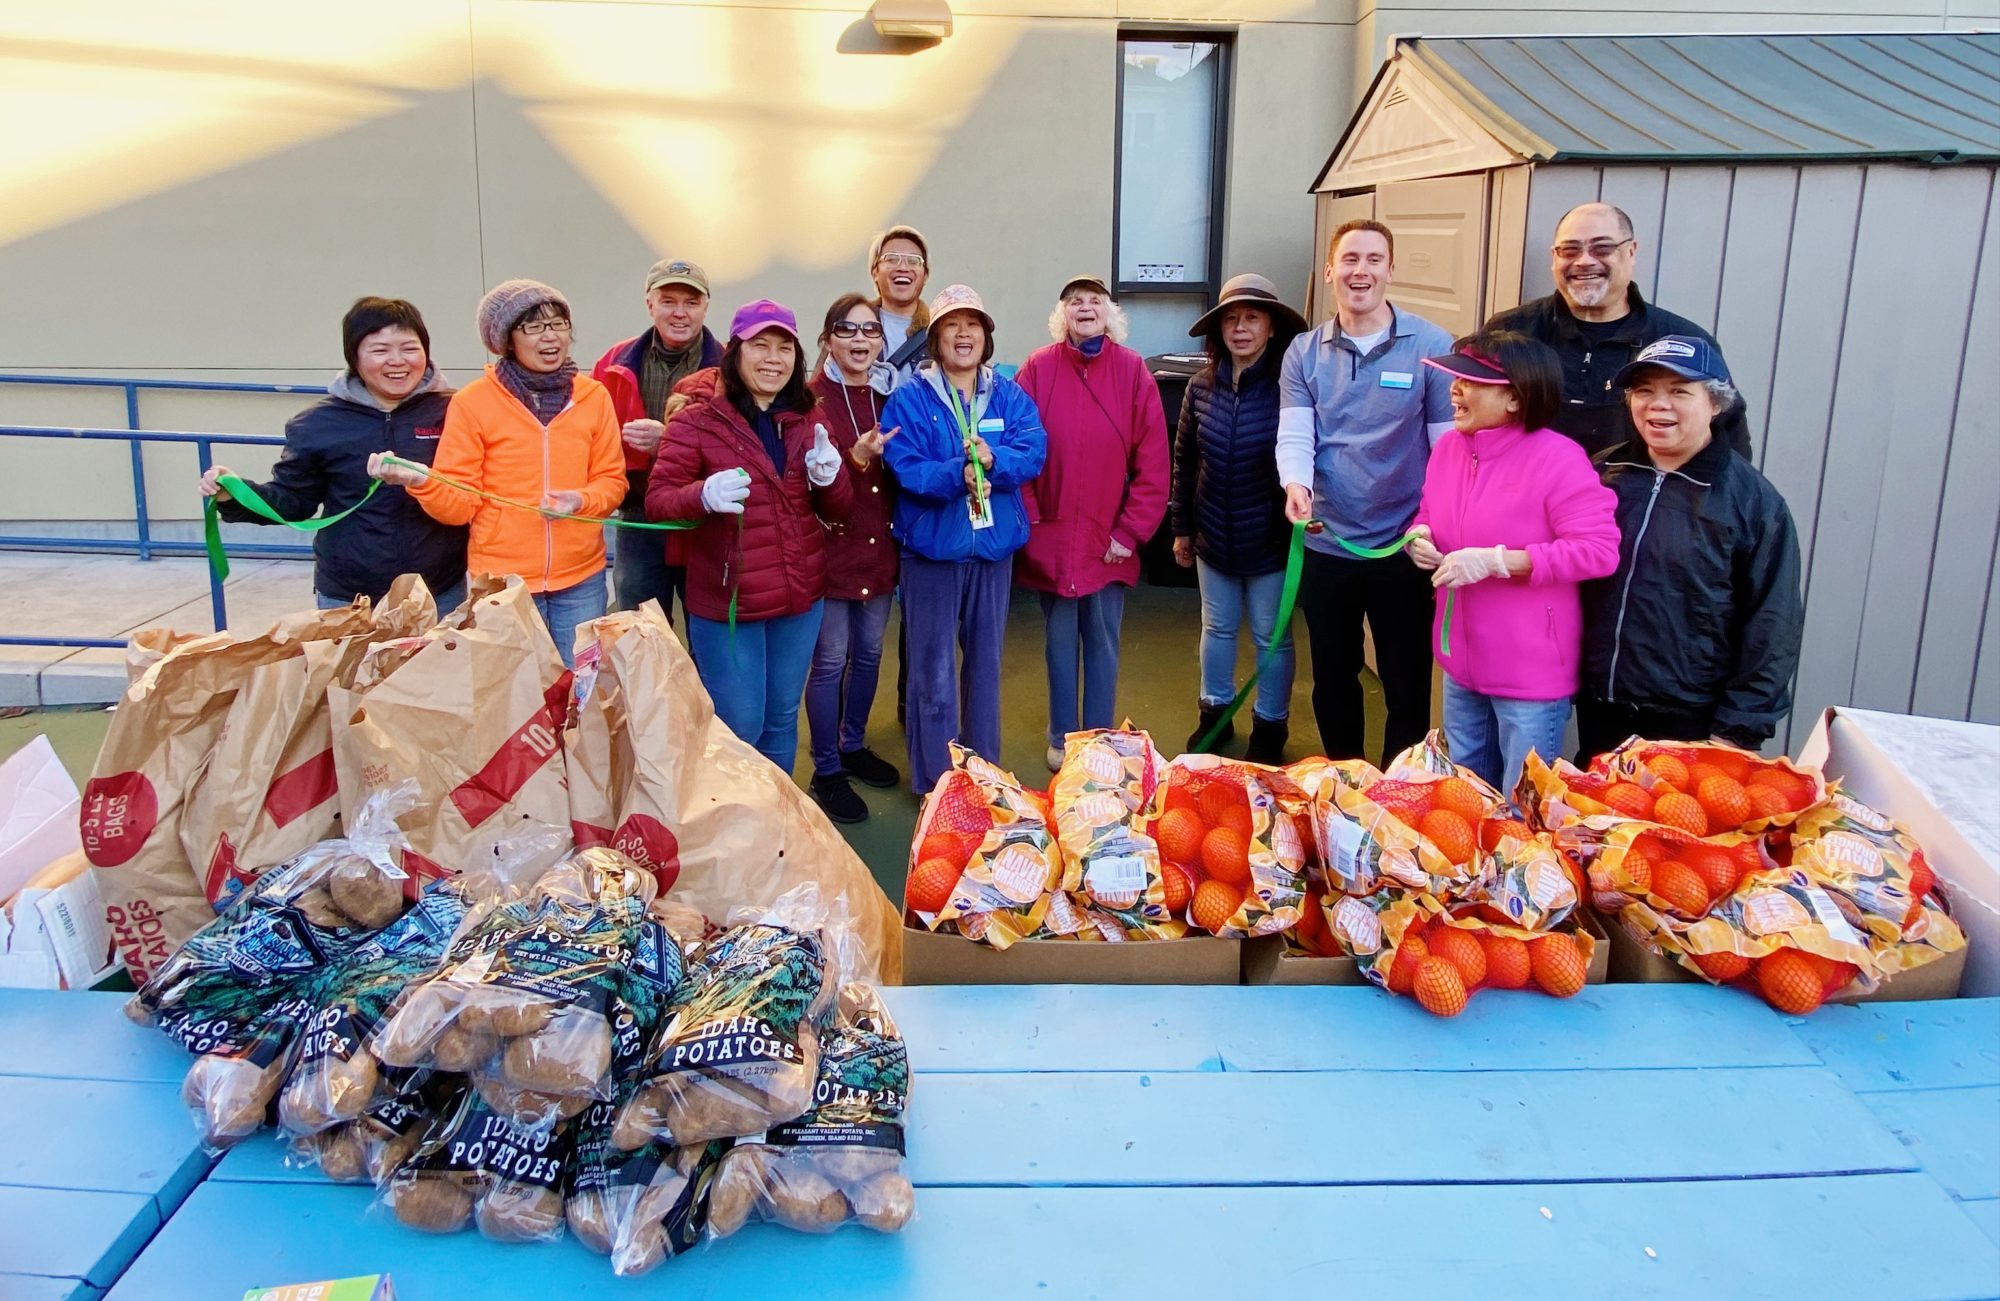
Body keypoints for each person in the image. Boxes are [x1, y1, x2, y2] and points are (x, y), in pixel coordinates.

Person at [368, 279, 625, 666]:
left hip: (581, 580)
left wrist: (582, 500)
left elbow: (612, 481)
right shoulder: (474, 402)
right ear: (506, 339)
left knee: (581, 693)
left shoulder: (594, 397)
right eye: (533, 327)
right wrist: (422, 481)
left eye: (558, 324)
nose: (550, 337)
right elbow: (459, 505)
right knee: (512, 703)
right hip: (503, 586)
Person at [1408, 333, 1621, 797]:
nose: (1455, 389)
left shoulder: (1559, 459)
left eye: (1472, 381)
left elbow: (1599, 550)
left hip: (1529, 675)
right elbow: (1427, 512)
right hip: (1460, 662)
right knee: (1463, 797)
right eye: (1457, 378)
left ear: (1515, 398)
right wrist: (1418, 537)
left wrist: (1499, 561)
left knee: (1520, 811)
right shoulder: (1448, 449)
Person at [1277, 219, 1456, 766]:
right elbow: (1296, 432)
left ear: (1390, 270)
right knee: (1333, 674)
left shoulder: (1431, 347)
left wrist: (1431, 523)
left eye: (1374, 259)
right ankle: (1346, 781)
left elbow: (1446, 451)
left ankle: (1399, 787)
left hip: (1404, 549)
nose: (1362, 271)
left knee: (1405, 680)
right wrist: (1296, 484)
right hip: (1329, 543)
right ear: (1331, 270)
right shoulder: (1303, 353)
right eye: (1350, 259)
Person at [646, 301, 852, 773]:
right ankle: (735, 829)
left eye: (784, 348)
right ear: (736, 352)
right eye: (761, 345)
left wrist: (831, 478)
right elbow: (659, 501)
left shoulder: (810, 420)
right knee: (739, 726)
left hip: (799, 597)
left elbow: (837, 510)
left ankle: (777, 825)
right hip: (729, 602)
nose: (773, 359)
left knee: (781, 720)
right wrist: (702, 495)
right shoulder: (696, 422)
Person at [1577, 336, 1804, 761]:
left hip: (1692, 722)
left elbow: (1773, 624)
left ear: (1716, 404)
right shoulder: (1603, 474)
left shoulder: (1753, 503)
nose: (1658, 405)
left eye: (1679, 391)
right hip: (1600, 707)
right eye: (1644, 391)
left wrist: (1738, 729)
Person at [880, 285, 1047, 794]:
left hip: (992, 551)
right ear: (935, 339)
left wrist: (996, 462)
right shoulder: (910, 398)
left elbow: (1034, 447)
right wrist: (959, 473)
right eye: (952, 325)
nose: (963, 334)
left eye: (972, 325)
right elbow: (903, 465)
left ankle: (984, 776)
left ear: (986, 336)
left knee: (984, 667)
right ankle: (937, 784)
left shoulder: (1010, 393)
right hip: (931, 551)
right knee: (931, 671)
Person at [200, 297, 467, 610]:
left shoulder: (458, 411)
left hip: (440, 591)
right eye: (380, 350)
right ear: (354, 357)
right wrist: (236, 495)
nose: (397, 361)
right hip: (348, 597)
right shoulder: (317, 424)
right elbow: (294, 501)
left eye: (409, 348)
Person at [1015, 275, 1168, 771]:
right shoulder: (1038, 368)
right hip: (1053, 536)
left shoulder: (1132, 371)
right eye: (1075, 301)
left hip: (1108, 539)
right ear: (1063, 315)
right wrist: (1033, 522)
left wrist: (1130, 532)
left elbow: (1154, 461)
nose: (1085, 308)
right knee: (1059, 642)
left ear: (1109, 312)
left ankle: (1098, 739)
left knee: (1102, 639)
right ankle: (1062, 736)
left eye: (1094, 301)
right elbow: (1020, 448)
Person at [1484, 202, 1752, 460]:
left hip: (1636, 504)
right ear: (1554, 258)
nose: (1584, 261)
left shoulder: (1685, 343)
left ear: (1631, 252)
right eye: (1569, 250)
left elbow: (1728, 445)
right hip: (1527, 500)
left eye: (1602, 248)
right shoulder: (1510, 332)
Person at [1171, 273, 1307, 764]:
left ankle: (1271, 725)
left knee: (1272, 635)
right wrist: (1182, 529)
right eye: (1231, 318)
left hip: (1270, 539)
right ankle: (1215, 712)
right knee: (1218, 627)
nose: (1241, 328)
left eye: (1252, 317)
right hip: (1212, 535)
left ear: (1271, 327)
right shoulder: (1199, 388)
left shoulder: (1290, 388)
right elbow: (1185, 461)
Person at [801, 294, 902, 821]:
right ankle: (826, 768)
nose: (860, 340)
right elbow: (803, 482)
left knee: (868, 657)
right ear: (828, 340)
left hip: (880, 550)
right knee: (830, 662)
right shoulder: (807, 399)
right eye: (847, 330)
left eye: (870, 330)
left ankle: (853, 743)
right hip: (830, 551)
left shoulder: (894, 397)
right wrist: (854, 458)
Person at [590, 258, 723, 623]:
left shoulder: (732, 365)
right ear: (649, 304)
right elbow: (591, 434)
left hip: (706, 517)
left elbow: (741, 446)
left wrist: (671, 441)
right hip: (639, 518)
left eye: (691, 303)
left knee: (709, 631)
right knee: (637, 630)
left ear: (706, 307)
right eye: (668, 301)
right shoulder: (613, 361)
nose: (680, 313)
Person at [870, 225, 932, 380]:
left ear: (925, 276)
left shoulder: (940, 331)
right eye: (891, 259)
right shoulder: (851, 327)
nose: (903, 267)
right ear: (875, 272)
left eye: (913, 261)